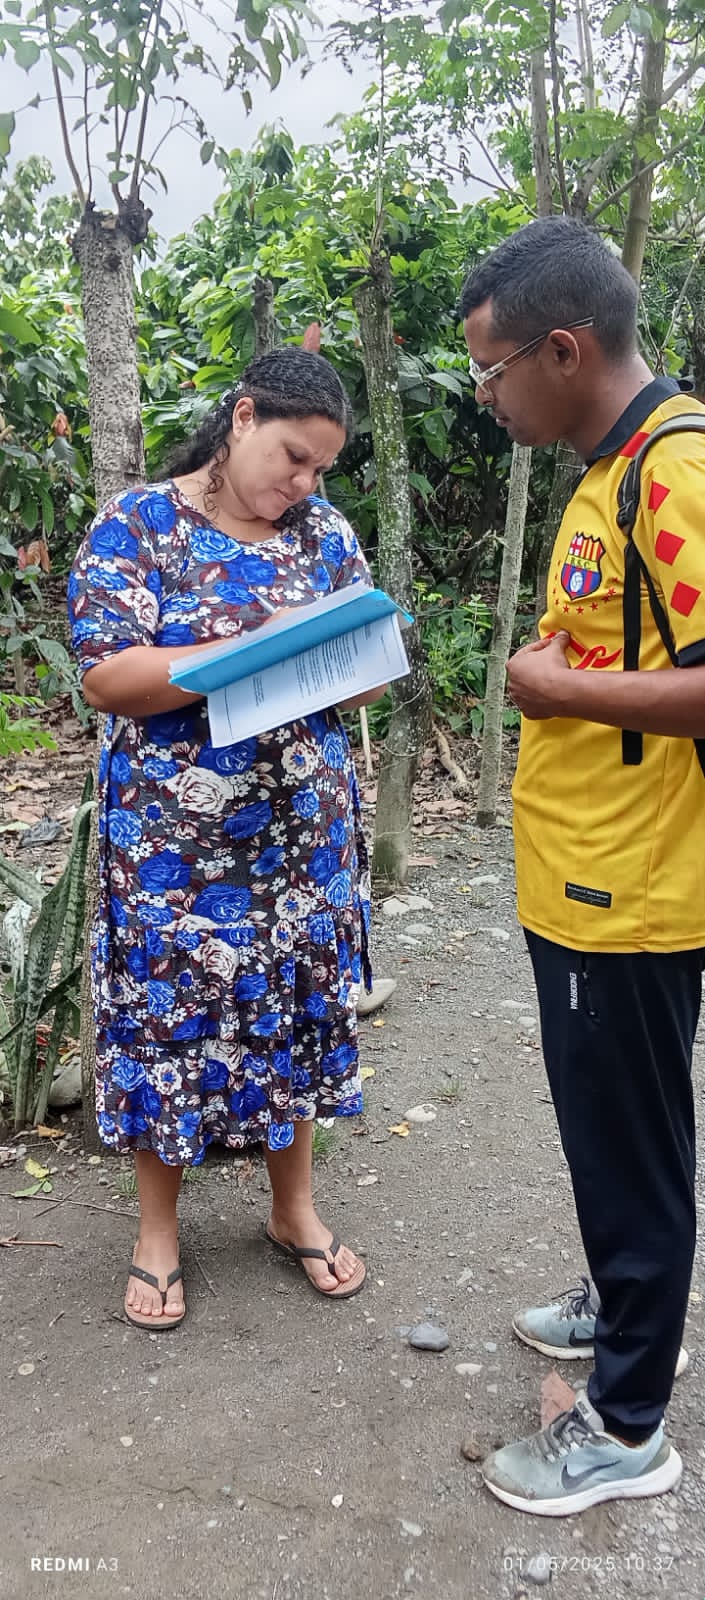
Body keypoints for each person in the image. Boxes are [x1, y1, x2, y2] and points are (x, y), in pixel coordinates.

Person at [458, 215, 705, 1515]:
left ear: (562, 350)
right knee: (608, 1133)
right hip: (587, 876)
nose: (486, 397)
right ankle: (621, 1303)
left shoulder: (675, 469)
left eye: (491, 372)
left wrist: (557, 688)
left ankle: (625, 1427)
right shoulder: (608, 468)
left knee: (631, 1153)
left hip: (635, 893)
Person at [69, 347, 386, 1329]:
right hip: (173, 844)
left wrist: (352, 656)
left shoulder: (323, 534)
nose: (305, 484)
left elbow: (367, 674)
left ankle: (293, 1210)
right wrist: (245, 649)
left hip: (301, 836)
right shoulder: (138, 525)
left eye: (321, 469)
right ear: (243, 418)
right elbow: (108, 676)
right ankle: (158, 1233)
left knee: (292, 1004)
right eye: (294, 457)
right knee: (170, 1012)